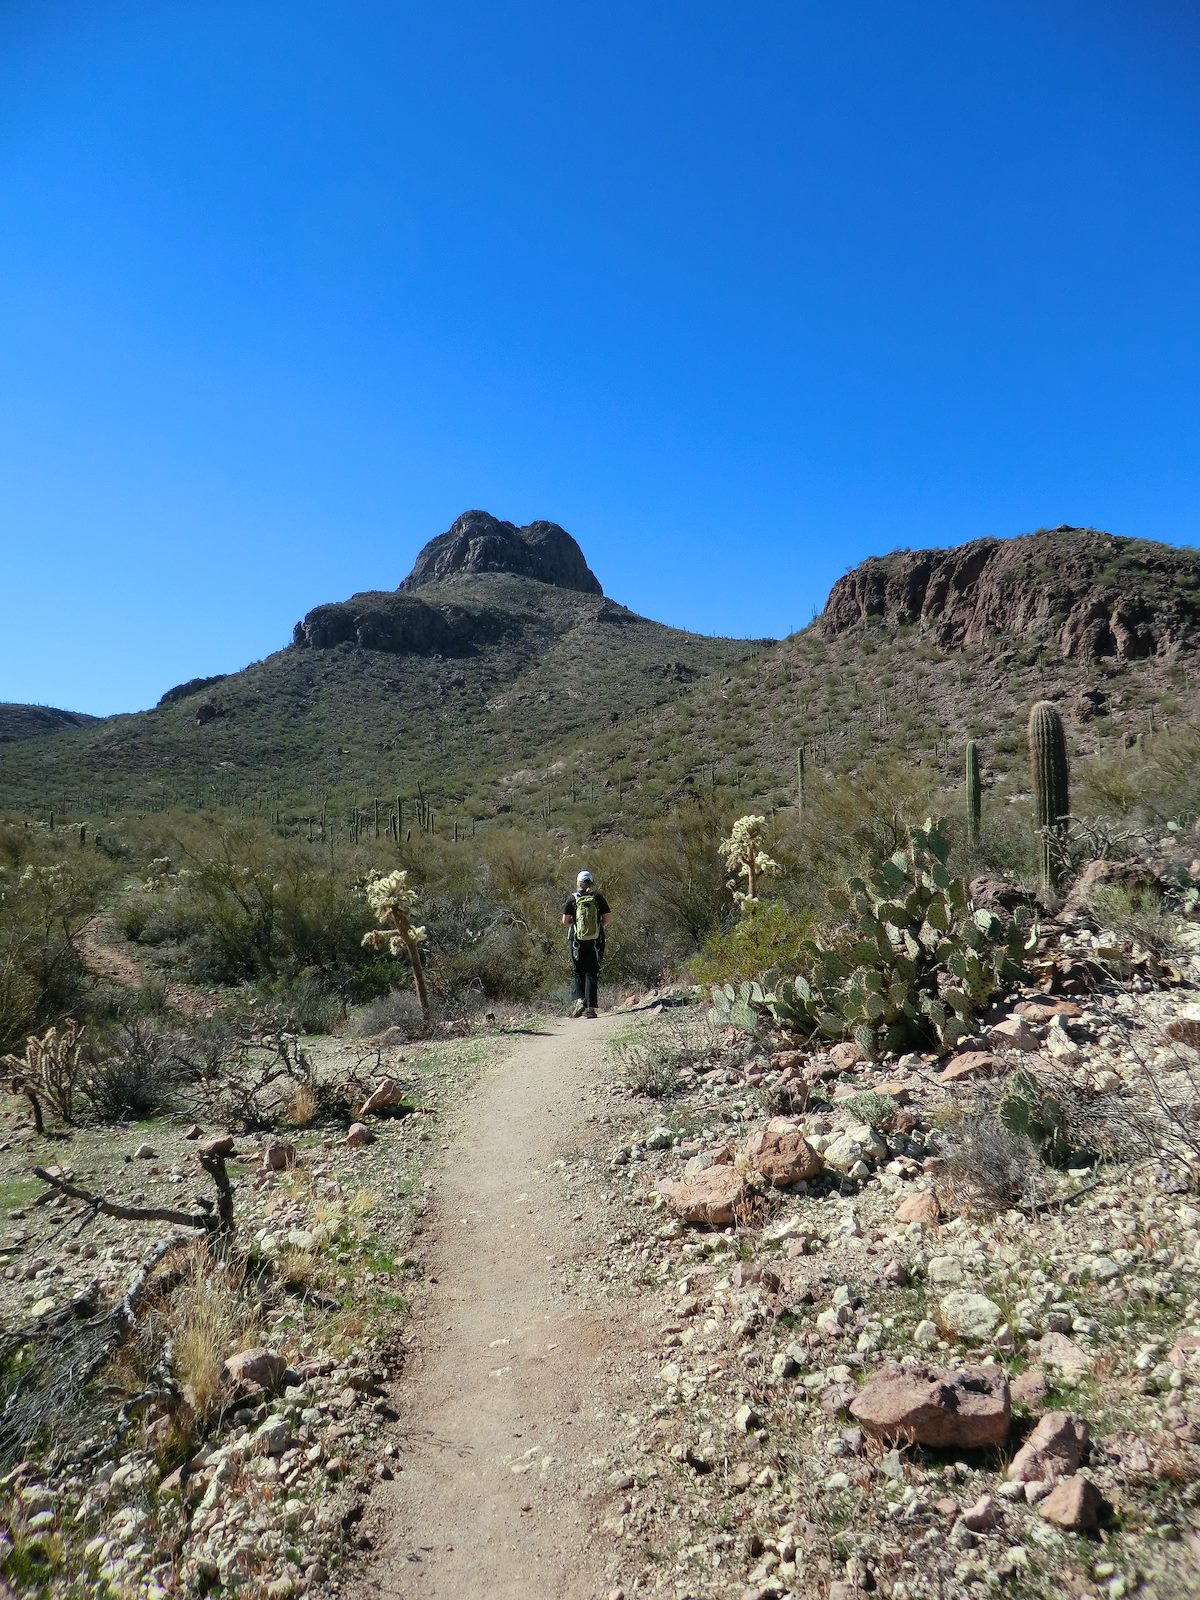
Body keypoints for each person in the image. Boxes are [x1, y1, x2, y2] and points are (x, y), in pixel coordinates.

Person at [562, 870, 611, 1018]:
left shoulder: (572, 898)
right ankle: (590, 1009)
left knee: (578, 970)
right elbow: (607, 919)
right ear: (591, 882)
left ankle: (580, 1001)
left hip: (576, 940)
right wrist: (597, 925)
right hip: (596, 940)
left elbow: (565, 921)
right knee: (592, 971)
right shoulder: (598, 898)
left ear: (578, 883)